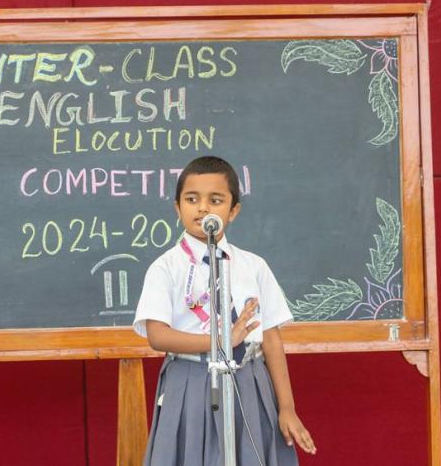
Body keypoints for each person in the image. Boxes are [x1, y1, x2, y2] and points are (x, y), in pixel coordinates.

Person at [133, 156, 316, 465]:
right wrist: (220, 341)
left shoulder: (253, 266)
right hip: (190, 380)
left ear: (233, 211)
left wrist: (287, 407)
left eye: (215, 200)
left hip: (250, 380)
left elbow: (271, 338)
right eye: (192, 199)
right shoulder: (165, 268)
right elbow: (157, 336)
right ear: (177, 207)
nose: (203, 208)